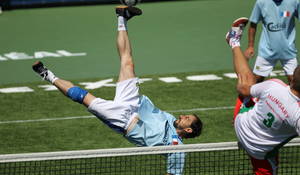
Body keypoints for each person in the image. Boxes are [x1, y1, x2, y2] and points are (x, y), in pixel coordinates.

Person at [32, 6, 203, 175]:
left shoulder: (178, 150)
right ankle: (122, 17)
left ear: (188, 130)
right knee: (127, 62)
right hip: (133, 103)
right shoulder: (171, 119)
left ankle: (48, 75)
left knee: (82, 97)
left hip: (123, 121)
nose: (182, 115)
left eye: (187, 118)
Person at [226, 17, 300, 175]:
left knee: (248, 85)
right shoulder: (298, 115)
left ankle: (233, 41)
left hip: (241, 122)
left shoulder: (275, 85)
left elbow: (242, 89)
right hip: (258, 151)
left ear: (293, 78)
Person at [244, 0, 299, 83]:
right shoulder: (261, 2)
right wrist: (250, 46)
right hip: (267, 51)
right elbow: (253, 24)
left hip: (289, 51)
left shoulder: (294, 2)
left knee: (295, 82)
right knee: (255, 81)